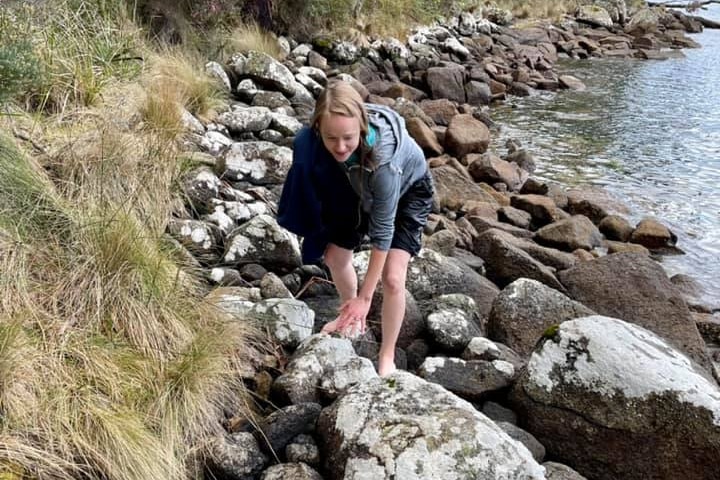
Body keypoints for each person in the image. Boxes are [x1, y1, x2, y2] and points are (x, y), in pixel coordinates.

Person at [278, 80, 434, 376]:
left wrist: (366, 297)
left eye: (347, 138)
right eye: (330, 138)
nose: (339, 147)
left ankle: (386, 356)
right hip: (357, 183)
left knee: (392, 278)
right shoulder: (317, 139)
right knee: (335, 258)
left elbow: (383, 231)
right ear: (318, 129)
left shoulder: (384, 160)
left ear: (361, 126)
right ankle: (350, 319)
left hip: (408, 193)